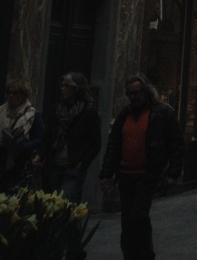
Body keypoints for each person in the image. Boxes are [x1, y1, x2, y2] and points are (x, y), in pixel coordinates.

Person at [99, 74, 185, 260]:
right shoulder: (124, 114)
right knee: (127, 220)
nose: (134, 97)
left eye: (137, 93)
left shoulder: (162, 113)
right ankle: (130, 254)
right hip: (125, 175)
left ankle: (145, 255)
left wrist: (172, 174)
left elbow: (176, 144)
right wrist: (106, 174)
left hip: (147, 174)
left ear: (146, 92)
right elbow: (113, 146)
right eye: (130, 93)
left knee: (138, 216)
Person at [37, 72, 101, 201]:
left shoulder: (88, 112)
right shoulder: (55, 110)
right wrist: (40, 155)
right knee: (51, 205)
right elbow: (48, 136)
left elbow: (96, 142)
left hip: (73, 165)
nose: (62, 89)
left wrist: (83, 163)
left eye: (66, 86)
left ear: (76, 89)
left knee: (66, 201)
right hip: (53, 164)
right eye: (62, 85)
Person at [0, 78, 44, 193]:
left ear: (24, 95)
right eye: (9, 92)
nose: (11, 96)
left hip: (21, 163)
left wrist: (23, 145)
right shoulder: (1, 111)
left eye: (15, 93)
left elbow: (40, 138)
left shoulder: (32, 115)